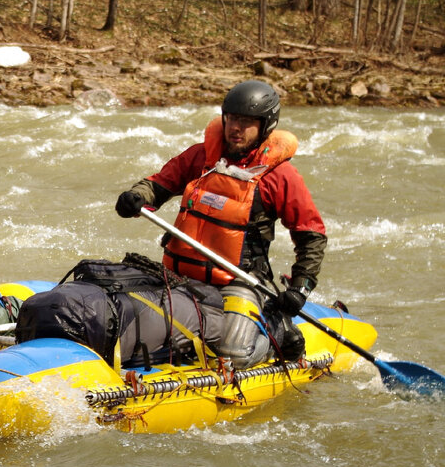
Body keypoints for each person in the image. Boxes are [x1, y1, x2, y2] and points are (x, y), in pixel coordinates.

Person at [114, 79, 327, 367]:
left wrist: (300, 289)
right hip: (180, 273)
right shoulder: (202, 157)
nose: (236, 128)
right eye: (232, 119)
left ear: (265, 126)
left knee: (233, 355)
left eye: (246, 122)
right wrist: (135, 197)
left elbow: (311, 235)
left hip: (238, 280)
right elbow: (158, 185)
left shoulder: (280, 176)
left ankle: (275, 326)